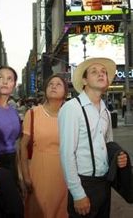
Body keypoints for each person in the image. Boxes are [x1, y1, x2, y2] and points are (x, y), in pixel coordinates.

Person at [58, 57, 128, 218]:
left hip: (104, 183)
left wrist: (117, 156)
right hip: (84, 184)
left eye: (104, 72)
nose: (101, 74)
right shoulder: (72, 108)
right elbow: (67, 154)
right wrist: (77, 193)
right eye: (94, 72)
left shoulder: (105, 110)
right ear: (84, 79)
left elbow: (108, 144)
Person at [20, 74, 69, 218]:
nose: (53, 86)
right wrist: (25, 175)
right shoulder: (33, 113)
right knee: (40, 210)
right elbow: (23, 146)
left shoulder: (70, 115)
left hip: (65, 174)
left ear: (65, 92)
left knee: (62, 211)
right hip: (39, 173)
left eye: (58, 84)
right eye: (50, 84)